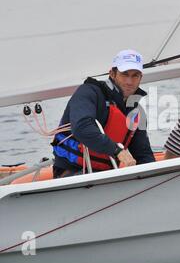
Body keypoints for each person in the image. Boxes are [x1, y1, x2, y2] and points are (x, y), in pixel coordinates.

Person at [52, 49, 155, 178]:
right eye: (125, 74)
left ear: (141, 78)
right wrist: (117, 151)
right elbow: (82, 127)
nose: (129, 81)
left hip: (107, 174)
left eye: (135, 75)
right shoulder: (89, 92)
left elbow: (143, 154)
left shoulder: (136, 112)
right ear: (112, 73)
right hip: (72, 173)